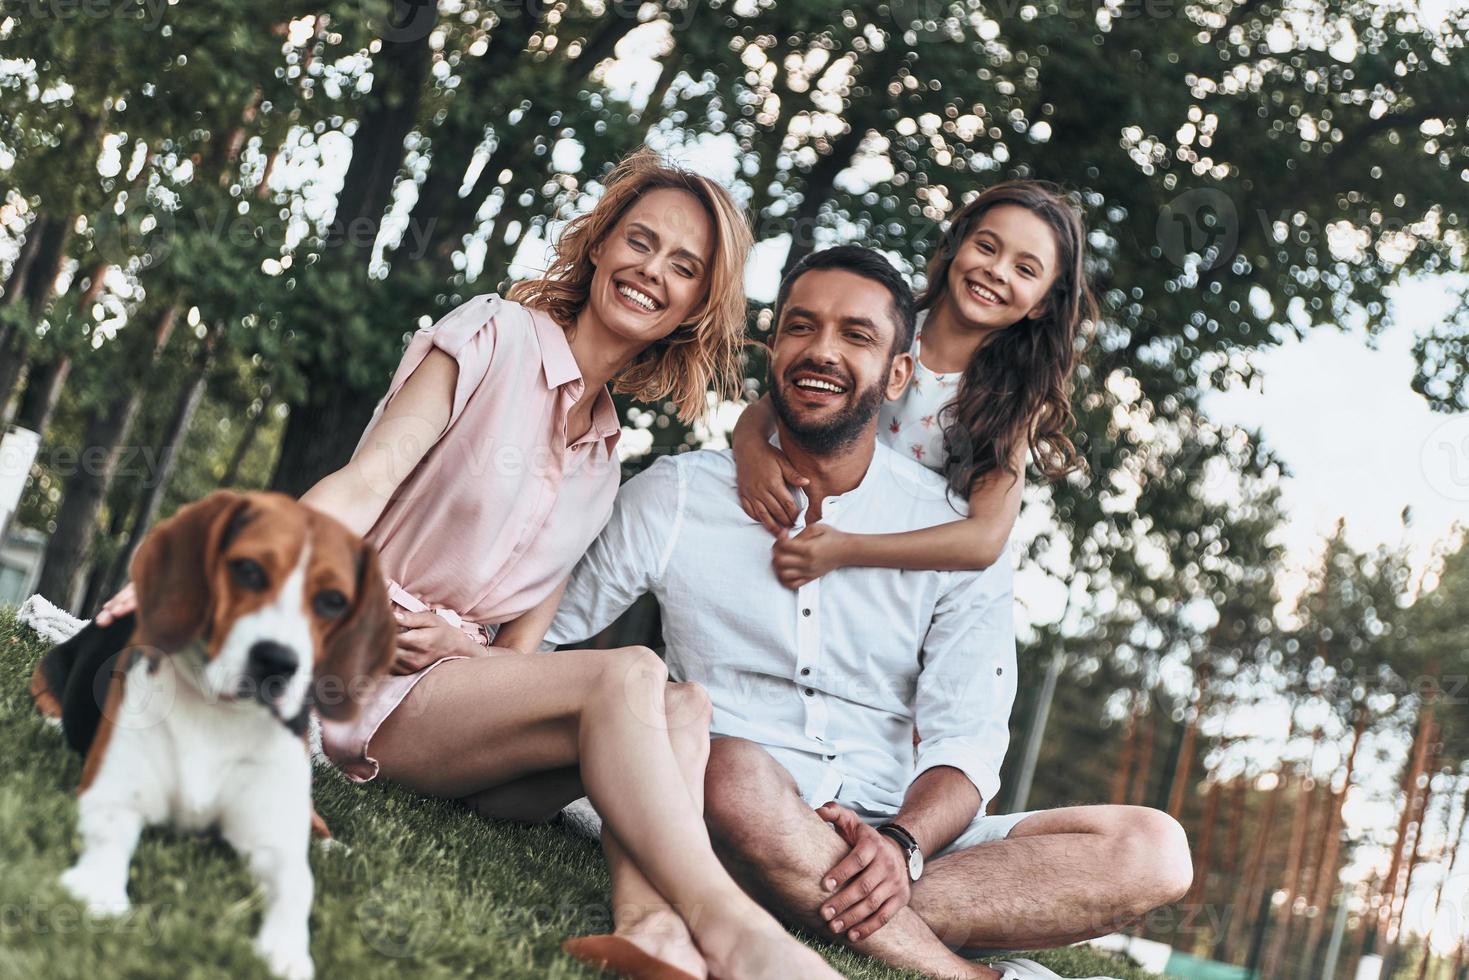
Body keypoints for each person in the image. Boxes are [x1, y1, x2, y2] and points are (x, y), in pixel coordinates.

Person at [96, 150, 843, 980]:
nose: (649, 271)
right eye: (639, 240)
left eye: (683, 267)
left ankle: (650, 928)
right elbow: (366, 479)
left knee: (685, 702)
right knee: (630, 668)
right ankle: (733, 929)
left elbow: (517, 661)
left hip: (460, 728)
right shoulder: (493, 335)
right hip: (357, 670)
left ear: (694, 305)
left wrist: (468, 656)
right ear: (599, 246)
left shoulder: (602, 464)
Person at [546, 246, 1192, 980]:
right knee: (729, 772)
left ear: (896, 373)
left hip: (907, 839)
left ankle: (785, 899)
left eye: (854, 335)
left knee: (1152, 848)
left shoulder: (950, 530)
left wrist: (900, 843)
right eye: (799, 327)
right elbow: (550, 632)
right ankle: (964, 974)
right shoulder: (678, 495)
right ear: (774, 348)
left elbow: (966, 743)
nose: (820, 351)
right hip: (739, 801)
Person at [732, 182, 1095, 588]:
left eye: (1025, 269)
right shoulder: (881, 329)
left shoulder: (1011, 397)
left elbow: (985, 539)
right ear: (956, 246)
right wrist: (751, 451)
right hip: (796, 515)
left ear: (1043, 302)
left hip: (885, 569)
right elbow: (769, 406)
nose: (997, 270)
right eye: (987, 247)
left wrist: (847, 549)